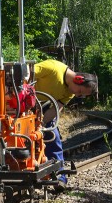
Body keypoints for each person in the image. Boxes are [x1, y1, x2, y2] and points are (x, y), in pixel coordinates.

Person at [33, 59, 98, 191]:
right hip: (24, 104)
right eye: (80, 91)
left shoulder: (70, 92)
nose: (77, 95)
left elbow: (56, 107)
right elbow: (26, 74)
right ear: (78, 79)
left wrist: (42, 124)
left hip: (43, 110)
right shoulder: (53, 68)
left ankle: (59, 176)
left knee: (53, 136)